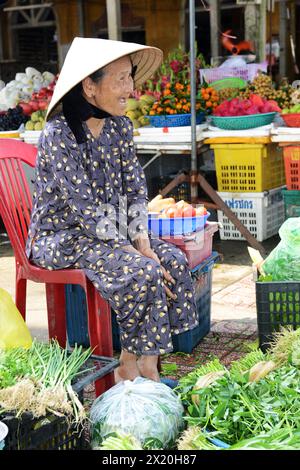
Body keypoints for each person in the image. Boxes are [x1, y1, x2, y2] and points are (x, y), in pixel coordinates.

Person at [26, 37, 198, 383]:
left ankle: (139, 363)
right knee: (142, 272)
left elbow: (135, 187)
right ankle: (131, 370)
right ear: (89, 86)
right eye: (120, 78)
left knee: (173, 261)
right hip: (63, 238)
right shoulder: (59, 134)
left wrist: (143, 243)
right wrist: (132, 253)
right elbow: (86, 210)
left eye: (130, 77)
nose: (130, 88)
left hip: (111, 232)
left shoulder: (119, 126)